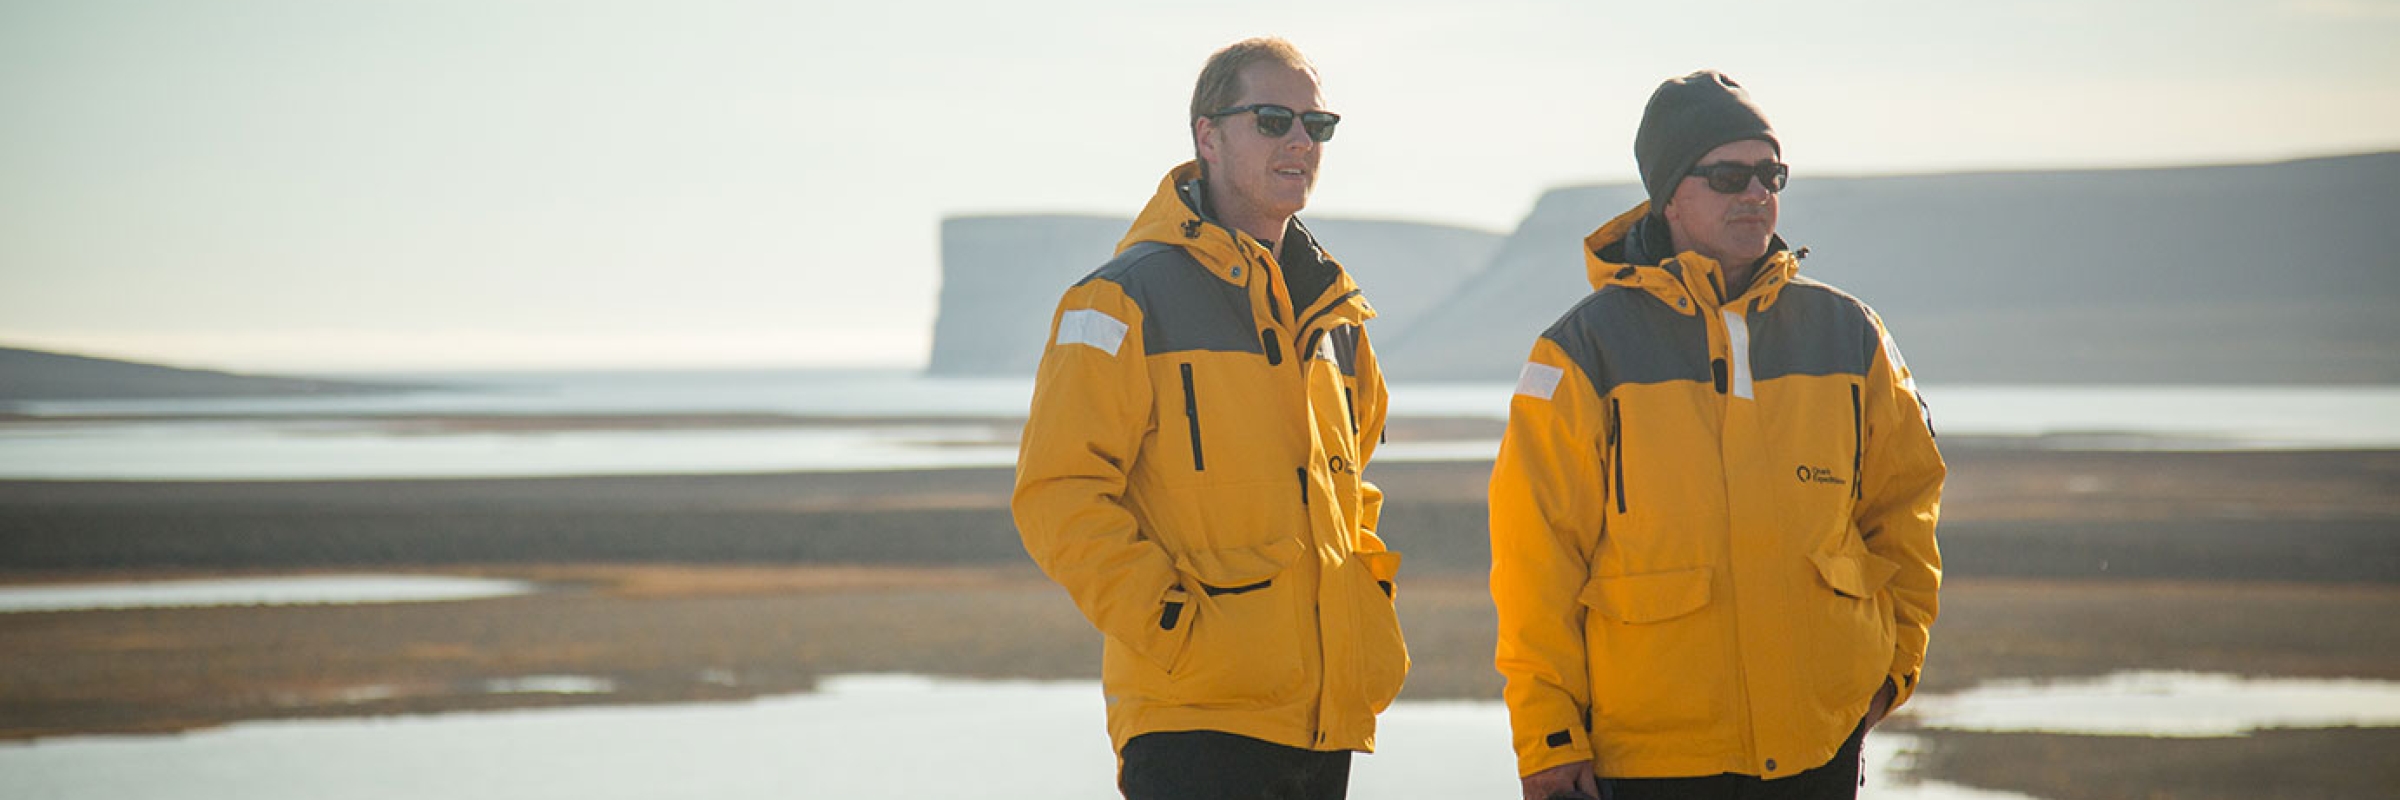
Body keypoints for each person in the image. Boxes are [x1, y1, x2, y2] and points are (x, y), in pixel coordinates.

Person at [1487, 70, 1945, 800]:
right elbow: (1535, 559)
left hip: (1818, 742)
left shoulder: (1850, 335)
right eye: (1730, 176)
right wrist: (1547, 732)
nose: (1757, 195)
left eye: (1771, 175)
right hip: (1652, 757)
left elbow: (1906, 504)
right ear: (1670, 194)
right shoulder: (1582, 353)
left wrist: (1894, 667)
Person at [1011, 37, 1407, 800]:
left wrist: (1366, 621)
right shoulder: (1121, 300)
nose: (1298, 141)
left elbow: (1349, 494)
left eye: (1315, 125)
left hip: (1325, 717)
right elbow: (1057, 492)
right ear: (1207, 136)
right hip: (1192, 717)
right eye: (1272, 119)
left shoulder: (1338, 318)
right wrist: (1171, 625)